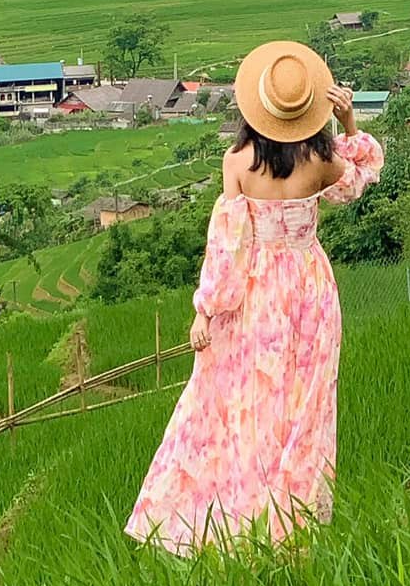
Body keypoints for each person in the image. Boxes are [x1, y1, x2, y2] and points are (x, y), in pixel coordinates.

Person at [125, 38, 385, 554]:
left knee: (237, 403)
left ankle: (231, 518)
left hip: (256, 293)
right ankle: (294, 522)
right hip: (309, 288)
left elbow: (228, 248)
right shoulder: (323, 158)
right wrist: (349, 124)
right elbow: (361, 180)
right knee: (304, 406)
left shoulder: (238, 162)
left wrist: (205, 311)